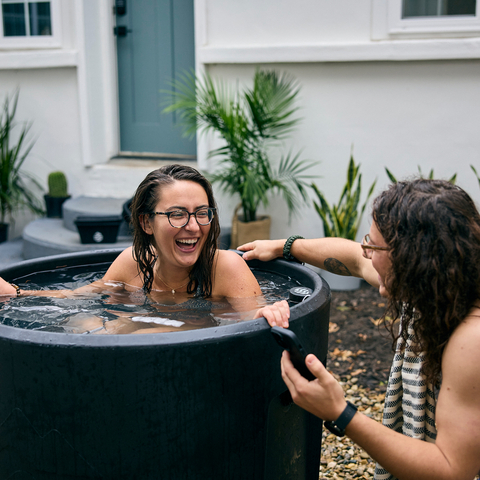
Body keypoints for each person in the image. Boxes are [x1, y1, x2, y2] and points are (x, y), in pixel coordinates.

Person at [238, 178, 480, 480]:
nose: (365, 251)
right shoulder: (440, 284)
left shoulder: (471, 339)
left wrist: (340, 411)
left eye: (373, 245)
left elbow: (452, 469)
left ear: (412, 256)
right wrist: (284, 246)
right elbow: (352, 257)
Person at [0, 164, 289, 331]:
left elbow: (252, 320)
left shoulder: (226, 268)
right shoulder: (132, 262)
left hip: (199, 365)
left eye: (202, 212)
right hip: (135, 359)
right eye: (177, 214)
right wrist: (17, 294)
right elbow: (77, 296)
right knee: (83, 322)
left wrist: (265, 316)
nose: (193, 226)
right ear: (146, 222)